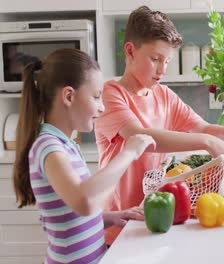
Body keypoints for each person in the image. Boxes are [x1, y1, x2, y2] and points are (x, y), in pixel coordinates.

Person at [94, 5, 224, 245]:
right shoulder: (111, 94)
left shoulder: (164, 95)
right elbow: (141, 138)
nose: (162, 70)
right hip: (120, 224)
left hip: (158, 215)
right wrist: (208, 142)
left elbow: (199, 126)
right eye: (155, 59)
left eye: (167, 60)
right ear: (130, 51)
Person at [13, 48, 156, 263]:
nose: (102, 107)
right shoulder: (49, 146)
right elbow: (84, 202)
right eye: (97, 97)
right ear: (69, 96)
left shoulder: (67, 145)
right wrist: (129, 151)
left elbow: (72, 217)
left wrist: (109, 218)